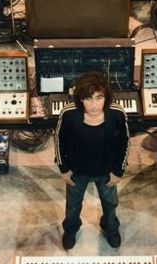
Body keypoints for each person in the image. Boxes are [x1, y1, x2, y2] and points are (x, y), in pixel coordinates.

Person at [55, 71, 131, 250]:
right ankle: (71, 229)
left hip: (107, 172)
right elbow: (59, 139)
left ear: (106, 97)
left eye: (99, 98)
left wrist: (118, 171)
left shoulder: (117, 114)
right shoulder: (69, 113)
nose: (94, 105)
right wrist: (63, 168)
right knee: (73, 206)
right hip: (76, 171)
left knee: (110, 204)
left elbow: (125, 142)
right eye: (88, 99)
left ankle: (110, 228)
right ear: (81, 98)